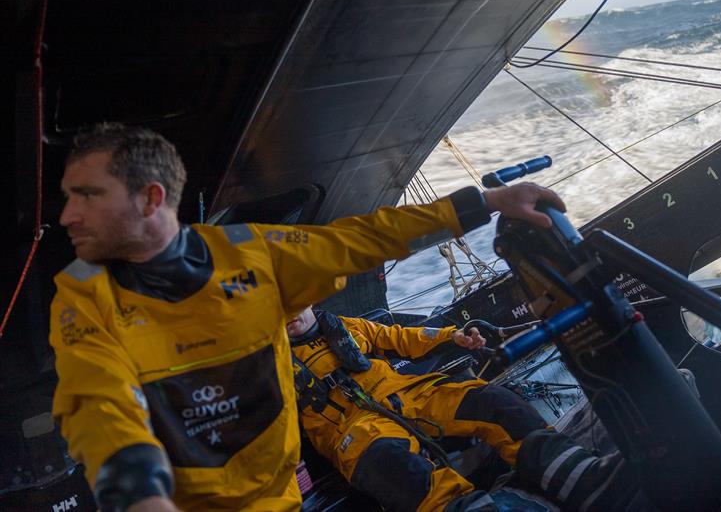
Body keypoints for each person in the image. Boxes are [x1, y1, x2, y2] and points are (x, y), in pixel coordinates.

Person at [49, 122, 569, 512]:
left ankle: (572, 476)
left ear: (150, 199)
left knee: (494, 404)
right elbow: (95, 405)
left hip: (288, 489)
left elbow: (366, 239)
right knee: (389, 464)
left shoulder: (252, 254)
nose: (68, 216)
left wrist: (490, 200)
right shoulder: (83, 295)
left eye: (87, 197)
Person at [288, 307, 635, 512]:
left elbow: (400, 337)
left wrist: (453, 336)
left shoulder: (347, 325)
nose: (289, 314)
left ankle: (581, 480)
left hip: (409, 395)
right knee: (390, 466)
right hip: (354, 430)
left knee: (494, 401)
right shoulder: (267, 365)